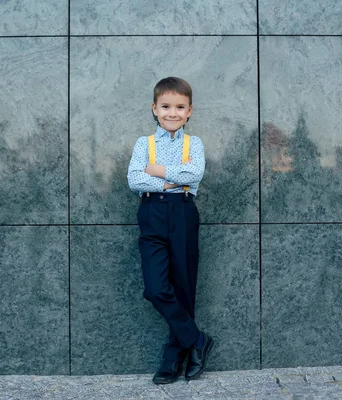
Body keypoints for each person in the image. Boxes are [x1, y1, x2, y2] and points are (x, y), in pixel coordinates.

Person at [127, 77, 213, 384]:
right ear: (154, 109)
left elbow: (194, 173)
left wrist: (156, 170)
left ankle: (175, 354)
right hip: (151, 213)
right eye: (166, 107)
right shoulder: (144, 144)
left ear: (189, 111)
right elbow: (135, 179)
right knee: (155, 288)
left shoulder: (195, 144)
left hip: (183, 212)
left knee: (183, 285)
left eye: (179, 107)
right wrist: (169, 181)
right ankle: (197, 340)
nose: (172, 113)